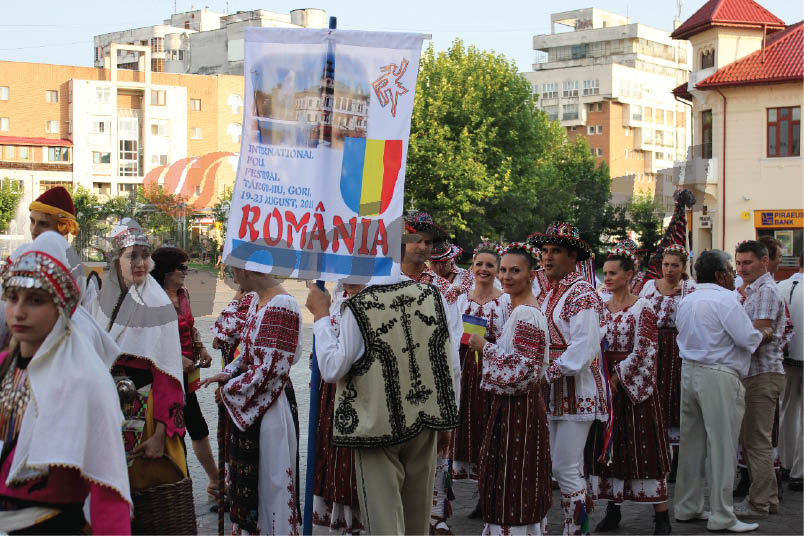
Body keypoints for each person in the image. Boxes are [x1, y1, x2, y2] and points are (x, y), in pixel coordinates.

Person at [307, 271, 459, 535]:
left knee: (384, 522)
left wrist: (320, 318)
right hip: (425, 419)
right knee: (417, 520)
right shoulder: (432, 295)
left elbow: (332, 369)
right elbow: (450, 364)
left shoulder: (359, 305)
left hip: (376, 426)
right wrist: (447, 422)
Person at [0, 232, 131, 534]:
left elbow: (108, 487)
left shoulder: (86, 380)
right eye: (12, 298)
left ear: (61, 305)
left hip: (50, 525)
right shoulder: (4, 367)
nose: (19, 311)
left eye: (35, 300)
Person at [201, 267, 303, 535]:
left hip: (269, 404)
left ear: (250, 270)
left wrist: (229, 390)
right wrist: (225, 375)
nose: (233, 278)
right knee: (254, 484)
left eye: (235, 271)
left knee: (270, 483)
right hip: (253, 399)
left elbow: (271, 370)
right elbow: (246, 354)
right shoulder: (259, 300)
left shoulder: (282, 305)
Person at [94, 219, 189, 495]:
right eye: (131, 256)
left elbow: (167, 372)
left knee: (144, 494)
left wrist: (160, 435)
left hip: (144, 412)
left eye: (145, 255)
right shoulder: (103, 301)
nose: (140, 263)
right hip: (106, 411)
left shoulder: (158, 305)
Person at [673, 250, 763, 533]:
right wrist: (764, 334)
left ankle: (688, 506)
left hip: (690, 372)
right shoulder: (727, 299)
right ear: (719, 274)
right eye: (730, 269)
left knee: (691, 445)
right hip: (718, 374)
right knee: (722, 447)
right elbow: (748, 339)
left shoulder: (688, 300)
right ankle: (722, 515)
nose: (734, 273)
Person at [466, 242, 552, 535]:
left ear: (531, 275)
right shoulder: (518, 311)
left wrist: (485, 347)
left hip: (520, 409)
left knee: (515, 477)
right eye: (503, 270)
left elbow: (526, 369)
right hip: (512, 407)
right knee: (507, 475)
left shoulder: (527, 314)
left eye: (515, 271)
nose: (506, 276)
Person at [528, 222, 606, 535]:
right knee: (553, 468)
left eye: (556, 251)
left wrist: (546, 375)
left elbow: (585, 348)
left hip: (577, 391)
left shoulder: (582, 294)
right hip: (552, 392)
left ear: (573, 257)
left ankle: (576, 531)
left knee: (567, 468)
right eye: (544, 251)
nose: (547, 258)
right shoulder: (550, 294)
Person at [587, 246, 671, 535]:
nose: (607, 278)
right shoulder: (599, 304)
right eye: (605, 273)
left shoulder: (642, 306)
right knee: (610, 450)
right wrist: (599, 373)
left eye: (613, 273)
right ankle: (613, 510)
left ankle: (661, 516)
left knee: (642, 448)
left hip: (634, 389)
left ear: (629, 274)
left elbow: (646, 348)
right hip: (605, 383)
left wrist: (618, 377)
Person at [399, 210, 462, 534]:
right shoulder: (380, 282)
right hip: (389, 390)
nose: (422, 247)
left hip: (428, 388)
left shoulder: (443, 290)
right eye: (415, 240)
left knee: (430, 458)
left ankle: (434, 516)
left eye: (428, 241)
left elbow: (450, 353)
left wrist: (448, 409)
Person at [151, 247, 220, 499]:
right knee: (174, 428)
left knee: (196, 425)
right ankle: (180, 483)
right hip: (164, 375)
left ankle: (214, 481)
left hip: (187, 374)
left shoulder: (183, 293)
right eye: (182, 268)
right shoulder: (151, 297)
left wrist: (200, 348)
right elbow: (149, 338)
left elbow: (190, 327)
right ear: (167, 271)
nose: (186, 273)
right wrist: (175, 358)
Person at [732, 240, 787, 520]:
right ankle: (769, 499)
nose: (742, 268)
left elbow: (760, 333)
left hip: (762, 373)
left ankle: (759, 503)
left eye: (747, 263)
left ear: (764, 262)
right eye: (739, 263)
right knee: (754, 440)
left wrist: (730, 335)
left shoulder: (765, 291)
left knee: (756, 442)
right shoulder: (751, 290)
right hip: (756, 373)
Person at [451, 242, 510, 487]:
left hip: (494, 365)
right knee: (468, 419)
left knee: (492, 422)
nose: (483, 269)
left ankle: (490, 480)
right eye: (479, 264)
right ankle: (475, 479)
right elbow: (452, 334)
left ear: (497, 270)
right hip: (466, 367)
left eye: (489, 265)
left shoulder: (506, 301)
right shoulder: (461, 300)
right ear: (471, 267)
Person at [312, 282, 365, 534]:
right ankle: (337, 518)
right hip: (332, 393)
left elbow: (337, 365)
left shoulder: (365, 300)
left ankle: (356, 521)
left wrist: (321, 317)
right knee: (331, 455)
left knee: (353, 462)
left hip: (357, 392)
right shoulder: (339, 295)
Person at [638, 244, 696, 478]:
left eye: (675, 265)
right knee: (653, 396)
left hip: (677, 347)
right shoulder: (649, 287)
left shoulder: (689, 289)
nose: (669, 270)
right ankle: (654, 454)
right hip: (653, 345)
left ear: (683, 267)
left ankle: (678, 456)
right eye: (666, 265)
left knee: (675, 398)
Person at [778, 254, 803, 491]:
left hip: (785, 359)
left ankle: (784, 463)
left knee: (786, 408)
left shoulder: (781, 287)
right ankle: (800, 470)